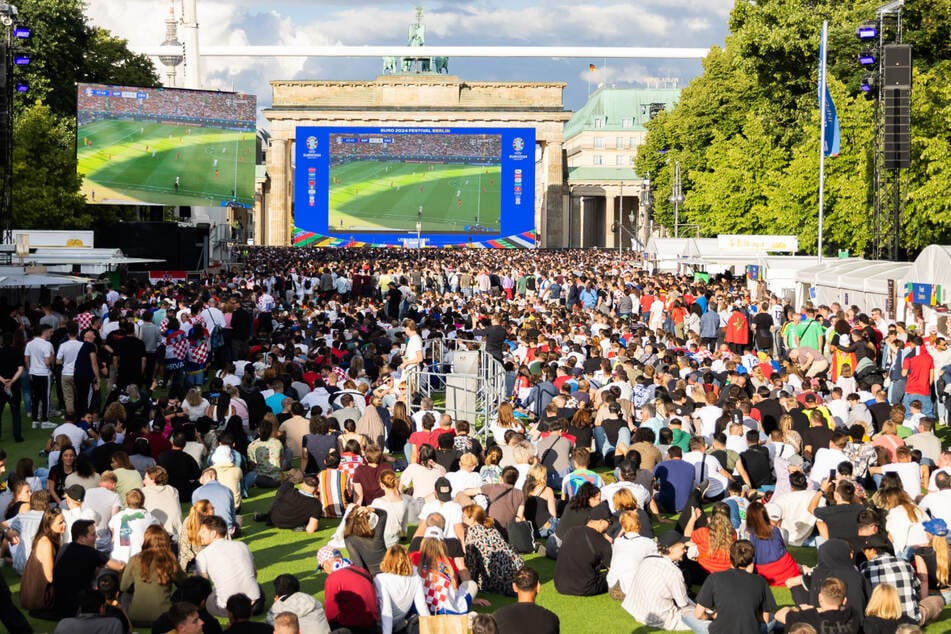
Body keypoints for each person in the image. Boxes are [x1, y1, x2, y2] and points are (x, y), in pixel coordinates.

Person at [687, 539, 777, 634]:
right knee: (772, 618)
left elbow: (698, 614)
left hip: (718, 630)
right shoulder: (760, 581)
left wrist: (711, 617)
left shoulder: (714, 578)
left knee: (686, 615)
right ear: (751, 559)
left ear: (730, 557)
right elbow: (764, 619)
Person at [621, 530, 695, 631]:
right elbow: (683, 604)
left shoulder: (647, 558)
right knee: (702, 616)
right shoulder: (674, 572)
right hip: (661, 618)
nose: (685, 550)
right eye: (682, 547)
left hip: (637, 610)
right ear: (671, 548)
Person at [52, 519, 123, 619]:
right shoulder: (90, 552)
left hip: (59, 606)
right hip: (79, 608)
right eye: (93, 534)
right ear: (81, 538)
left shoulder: (64, 547)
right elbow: (119, 567)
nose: (96, 537)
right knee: (109, 573)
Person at [195, 515, 262, 618]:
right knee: (257, 586)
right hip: (253, 600)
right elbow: (254, 573)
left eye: (203, 531)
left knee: (208, 599)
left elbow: (204, 587)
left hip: (226, 607)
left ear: (213, 534)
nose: (199, 534)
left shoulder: (203, 555)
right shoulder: (242, 545)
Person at [120, 524, 187, 626]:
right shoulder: (170, 560)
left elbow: (123, 587)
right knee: (182, 593)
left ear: (146, 539)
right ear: (166, 540)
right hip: (164, 618)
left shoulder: (134, 559)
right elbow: (185, 584)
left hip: (135, 618)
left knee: (125, 595)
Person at [461, 504, 524, 596]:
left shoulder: (470, 533)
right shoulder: (490, 526)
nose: (462, 519)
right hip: (515, 570)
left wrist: (469, 583)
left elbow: (472, 564)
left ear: (472, 519)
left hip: (498, 578)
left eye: (464, 517)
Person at [553, 502, 612, 596]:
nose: (610, 525)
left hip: (560, 585)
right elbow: (614, 570)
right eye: (609, 522)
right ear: (601, 521)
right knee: (612, 576)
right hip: (585, 588)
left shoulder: (571, 531)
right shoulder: (602, 542)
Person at [317, 545, 379, 633]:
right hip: (373, 623)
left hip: (352, 627)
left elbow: (331, 613)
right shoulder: (361, 570)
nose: (324, 571)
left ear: (326, 564)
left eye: (322, 568)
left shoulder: (333, 578)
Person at [373, 545, 429, 634]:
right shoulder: (415, 576)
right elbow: (422, 606)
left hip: (380, 626)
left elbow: (386, 611)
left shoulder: (381, 580)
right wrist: (430, 627)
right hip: (398, 623)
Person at [20, 507, 66, 615]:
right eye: (60, 523)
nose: (64, 525)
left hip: (36, 593)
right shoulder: (46, 543)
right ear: (49, 525)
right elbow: (50, 577)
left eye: (64, 521)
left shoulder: (52, 538)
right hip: (40, 597)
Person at [777, 577, 859, 634]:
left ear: (820, 597)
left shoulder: (808, 617)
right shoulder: (853, 616)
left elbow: (778, 615)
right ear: (844, 600)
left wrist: (797, 608)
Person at [606, 509, 658, 600]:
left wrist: (623, 529)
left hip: (612, 588)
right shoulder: (648, 543)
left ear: (622, 526)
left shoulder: (618, 542)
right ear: (639, 524)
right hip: (631, 591)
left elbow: (617, 539)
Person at [746, 500, 800, 586]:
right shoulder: (776, 530)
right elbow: (783, 549)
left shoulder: (751, 535)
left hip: (769, 574)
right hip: (789, 570)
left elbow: (750, 563)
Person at [257, 471, 322, 532]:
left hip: (275, 519)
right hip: (294, 524)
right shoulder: (316, 504)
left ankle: (268, 516)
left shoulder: (289, 491)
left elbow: (287, 485)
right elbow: (310, 529)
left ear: (302, 484)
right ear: (316, 488)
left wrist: (294, 479)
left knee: (282, 491)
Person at [107, 488, 158, 563]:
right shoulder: (148, 517)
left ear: (127, 503)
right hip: (139, 558)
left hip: (118, 558)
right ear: (143, 502)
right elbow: (159, 527)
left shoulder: (118, 516)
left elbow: (111, 528)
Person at [53, 589, 125, 634]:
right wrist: (123, 611)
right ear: (101, 608)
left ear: (80, 608)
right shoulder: (113, 624)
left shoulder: (64, 624)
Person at [343, 505, 388, 576]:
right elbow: (383, 514)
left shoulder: (349, 539)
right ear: (366, 520)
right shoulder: (376, 534)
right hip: (388, 571)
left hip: (372, 576)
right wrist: (370, 509)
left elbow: (358, 564)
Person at [179, 498, 214, 572]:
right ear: (205, 513)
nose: (214, 510)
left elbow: (184, 546)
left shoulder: (188, 520)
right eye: (212, 508)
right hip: (208, 560)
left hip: (193, 561)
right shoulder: (214, 522)